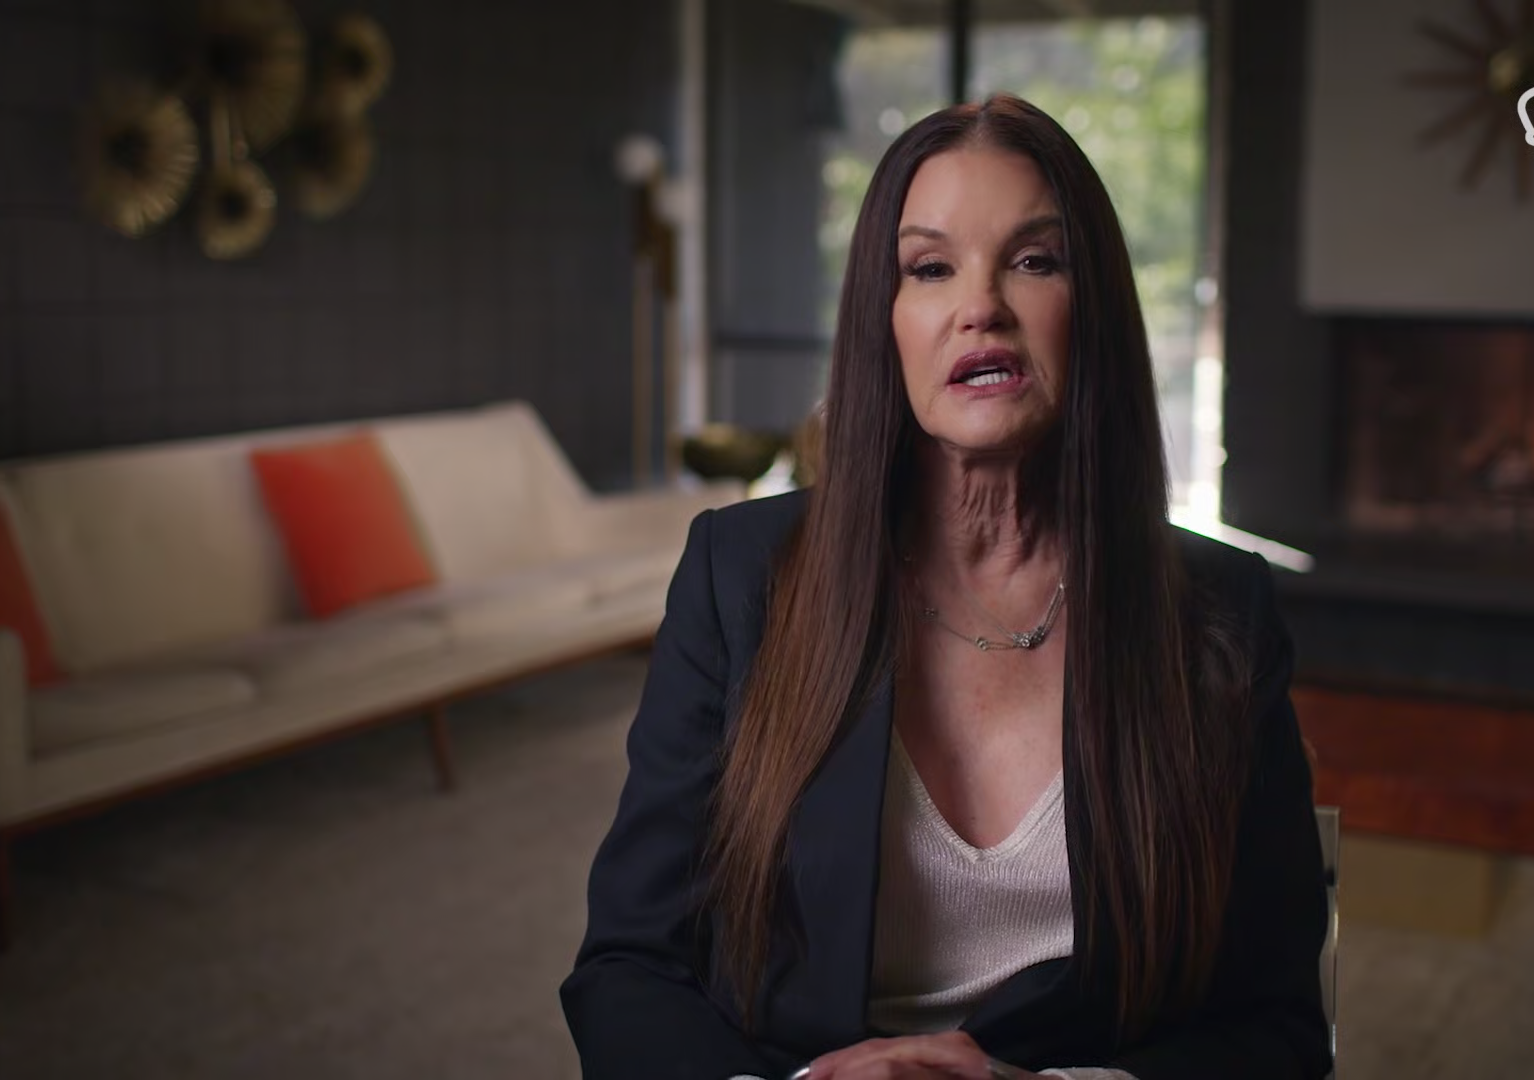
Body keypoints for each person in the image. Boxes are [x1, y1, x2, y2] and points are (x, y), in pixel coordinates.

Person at [560, 94, 1331, 1080]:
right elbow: (628, 968)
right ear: (883, 319)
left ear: (1092, 307)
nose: (982, 307)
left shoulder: (1220, 609)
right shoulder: (739, 573)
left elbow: (1279, 1028)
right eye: (930, 268)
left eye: (1035, 261)